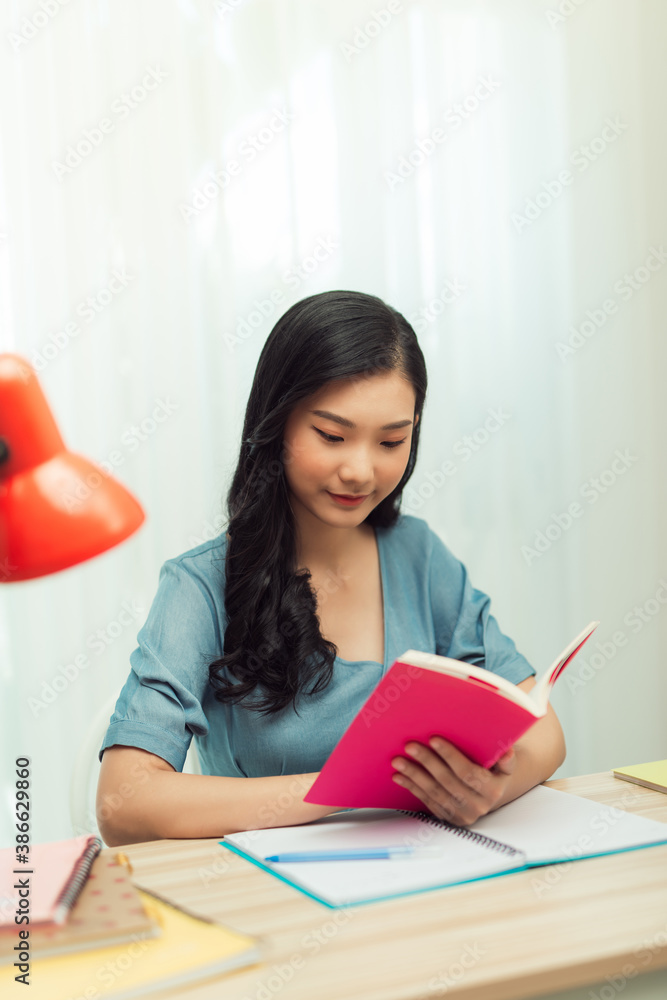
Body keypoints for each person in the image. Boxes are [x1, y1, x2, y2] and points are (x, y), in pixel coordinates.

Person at [96, 290, 565, 847]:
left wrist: (488, 789)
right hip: (271, 899)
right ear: (278, 425)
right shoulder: (200, 585)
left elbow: (544, 734)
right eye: (332, 436)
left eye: (393, 440)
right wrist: (345, 787)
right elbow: (123, 804)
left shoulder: (420, 556)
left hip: (419, 884)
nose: (361, 471)